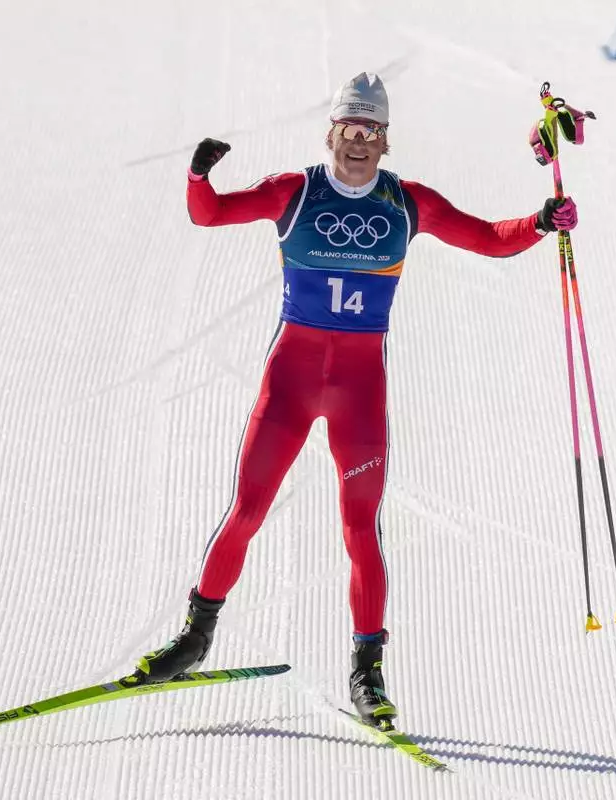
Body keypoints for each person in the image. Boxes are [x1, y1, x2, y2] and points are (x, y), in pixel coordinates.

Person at [136, 72, 579, 728]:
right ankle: (196, 638)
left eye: (370, 132)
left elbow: (489, 238)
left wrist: (543, 222)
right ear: (331, 134)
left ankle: (366, 674)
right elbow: (209, 214)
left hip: (359, 396)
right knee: (247, 511)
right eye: (349, 130)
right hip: (287, 387)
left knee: (360, 532)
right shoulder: (296, 192)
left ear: (386, 141)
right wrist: (199, 176)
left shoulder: (407, 203)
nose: (358, 144)